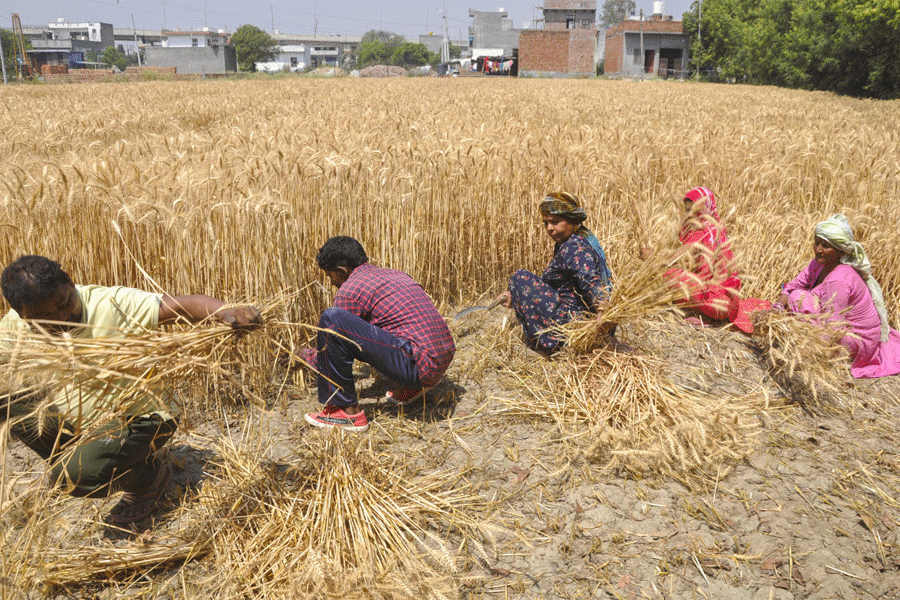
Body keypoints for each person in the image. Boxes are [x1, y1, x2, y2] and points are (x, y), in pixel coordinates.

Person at [0, 255, 262, 526]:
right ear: (23, 316)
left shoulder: (112, 304)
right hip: (82, 424)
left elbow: (182, 305)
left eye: (66, 303)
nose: (63, 319)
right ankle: (82, 459)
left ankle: (145, 478)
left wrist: (227, 311)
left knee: (70, 479)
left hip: (143, 418)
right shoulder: (16, 327)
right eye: (46, 319)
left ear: (70, 282)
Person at [304, 236, 456, 432]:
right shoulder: (395, 274)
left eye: (330, 275)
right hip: (440, 360)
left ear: (342, 271)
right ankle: (415, 386)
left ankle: (346, 412)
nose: (332, 282)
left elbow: (335, 345)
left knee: (332, 318)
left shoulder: (349, 291)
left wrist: (303, 356)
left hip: (418, 365)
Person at [777, 214, 900, 379]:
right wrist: (776, 308)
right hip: (835, 325)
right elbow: (791, 286)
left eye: (826, 245)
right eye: (817, 242)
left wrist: (805, 349)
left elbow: (834, 328)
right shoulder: (818, 264)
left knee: (798, 298)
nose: (818, 249)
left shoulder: (839, 280)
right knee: (796, 295)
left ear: (840, 250)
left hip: (856, 340)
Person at [496, 192, 614, 355]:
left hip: (574, 327)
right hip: (573, 321)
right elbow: (553, 285)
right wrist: (516, 294)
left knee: (520, 277)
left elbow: (590, 279)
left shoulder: (576, 247)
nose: (549, 228)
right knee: (520, 284)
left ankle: (551, 347)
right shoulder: (570, 242)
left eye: (555, 222)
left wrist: (603, 309)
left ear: (572, 220)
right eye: (546, 223)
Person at [664, 187, 768, 333]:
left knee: (670, 275)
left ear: (704, 209)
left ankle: (705, 317)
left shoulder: (702, 232)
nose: (689, 215)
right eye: (687, 210)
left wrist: (651, 257)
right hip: (729, 303)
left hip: (716, 304)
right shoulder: (716, 230)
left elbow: (671, 261)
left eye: (694, 210)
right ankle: (705, 313)